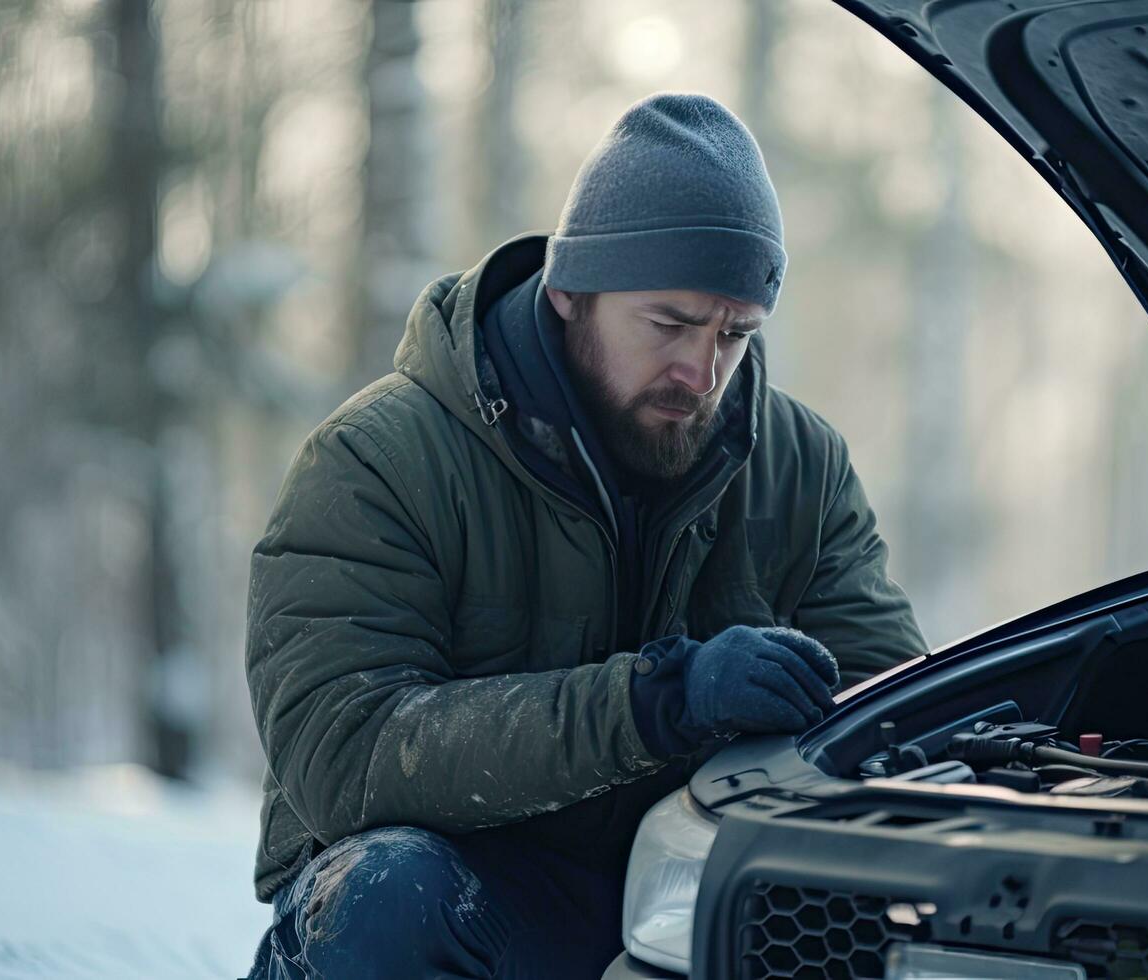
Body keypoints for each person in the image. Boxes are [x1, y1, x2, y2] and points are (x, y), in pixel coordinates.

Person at [241, 92, 926, 979]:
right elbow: (348, 750)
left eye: (736, 335)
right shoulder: (377, 461)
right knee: (388, 896)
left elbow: (896, 711)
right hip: (456, 886)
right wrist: (655, 701)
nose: (702, 370)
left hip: (681, 884)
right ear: (571, 290)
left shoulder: (802, 466)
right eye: (670, 323)